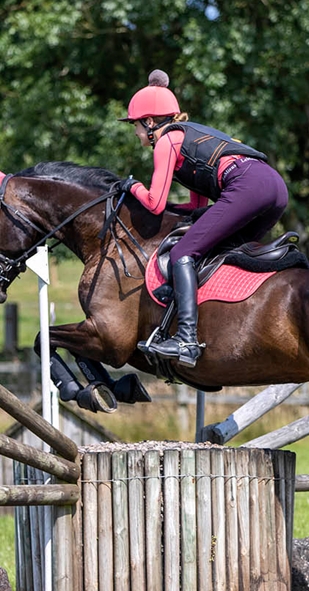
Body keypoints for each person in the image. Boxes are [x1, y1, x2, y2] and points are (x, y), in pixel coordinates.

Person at [118, 69, 289, 367]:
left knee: (183, 252)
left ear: (148, 123)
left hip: (247, 185)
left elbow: (155, 204)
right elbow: (196, 207)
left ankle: (185, 338)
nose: (134, 133)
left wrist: (131, 186)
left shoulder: (166, 142)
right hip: (273, 186)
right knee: (217, 252)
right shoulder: (189, 136)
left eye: (134, 126)